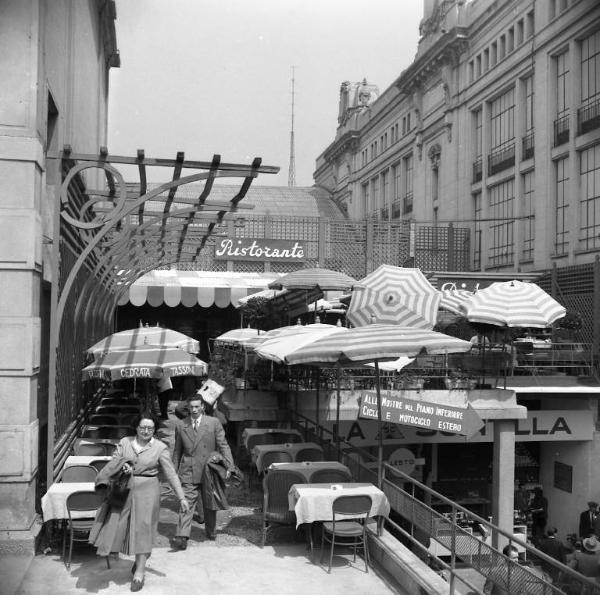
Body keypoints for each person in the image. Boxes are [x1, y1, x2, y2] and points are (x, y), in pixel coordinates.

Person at [89, 411, 190, 592]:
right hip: (124, 489)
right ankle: (139, 557)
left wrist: (181, 497)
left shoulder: (160, 447)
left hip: (148, 491)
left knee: (143, 529)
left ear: (154, 430)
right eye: (142, 427)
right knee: (121, 527)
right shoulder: (125, 442)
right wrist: (123, 464)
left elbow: (171, 473)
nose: (146, 431)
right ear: (136, 427)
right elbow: (114, 461)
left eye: (150, 428)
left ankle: (139, 572)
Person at [172, 391, 235, 548]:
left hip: (208, 469)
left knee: (209, 502)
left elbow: (223, 445)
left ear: (202, 407)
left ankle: (211, 530)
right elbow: (177, 451)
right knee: (186, 502)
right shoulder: (181, 425)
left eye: (197, 407)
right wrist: (173, 471)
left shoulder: (213, 423)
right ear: (188, 407)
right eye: (191, 407)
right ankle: (182, 536)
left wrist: (229, 465)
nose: (194, 410)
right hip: (188, 469)